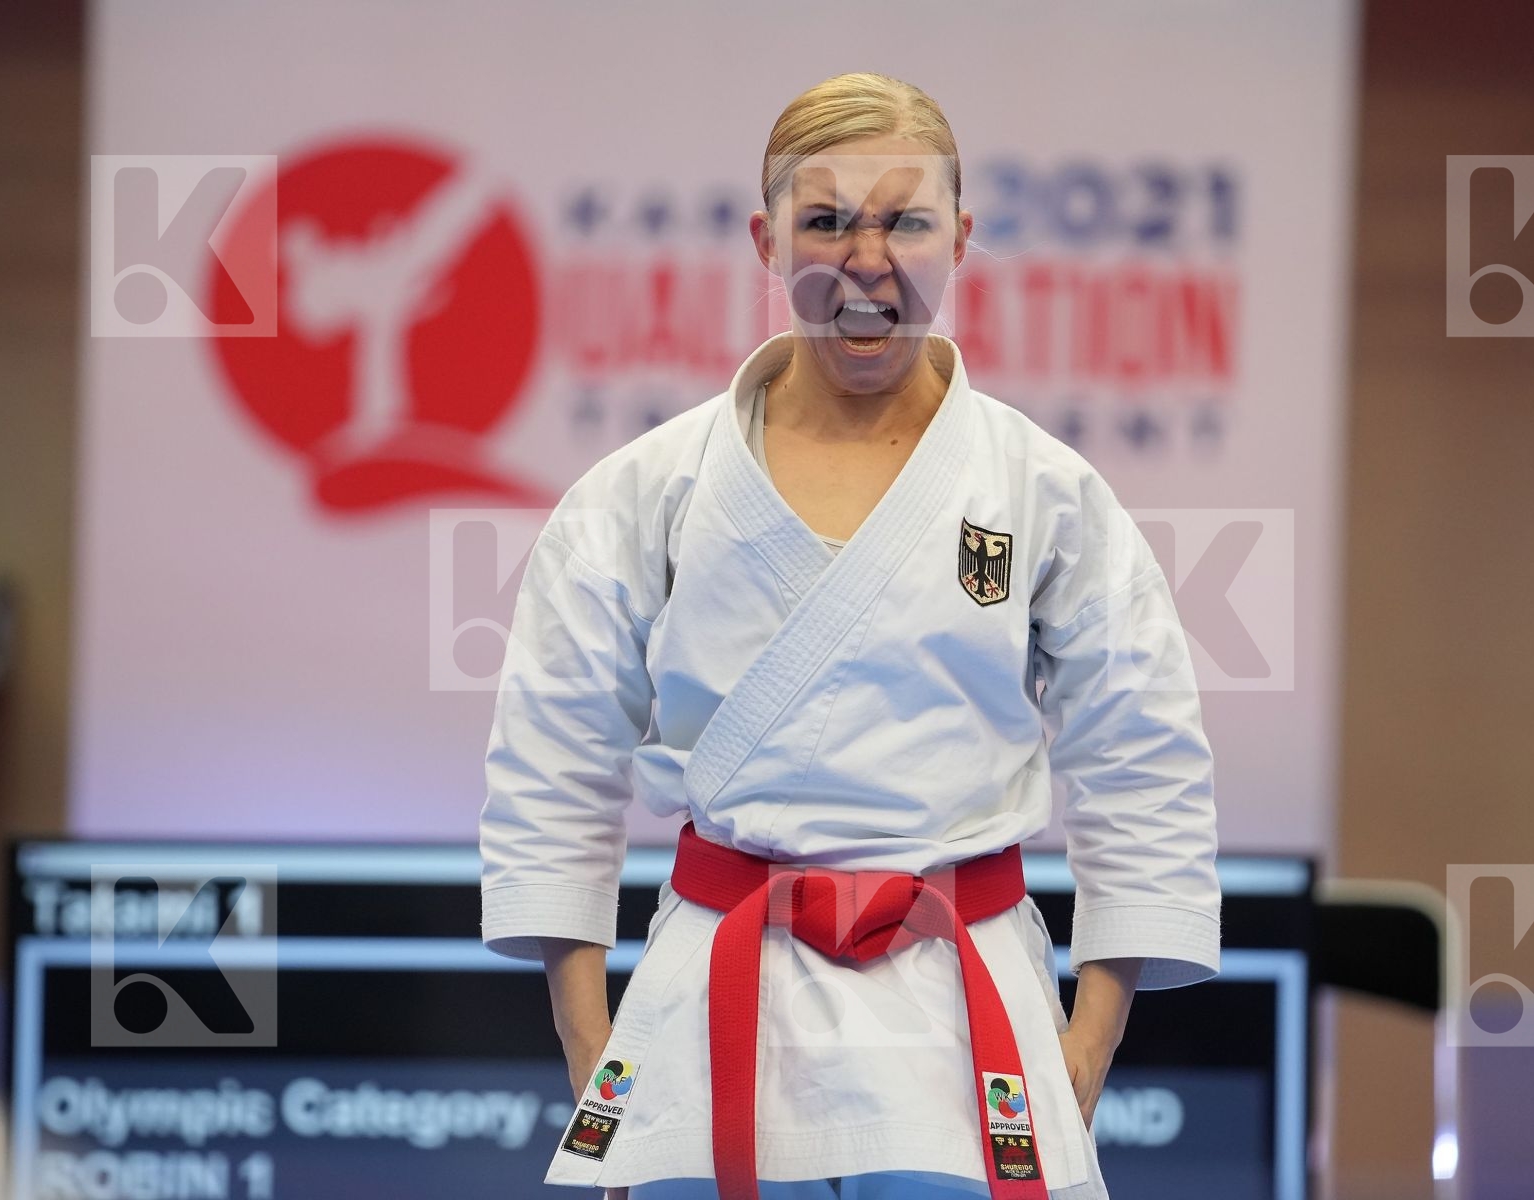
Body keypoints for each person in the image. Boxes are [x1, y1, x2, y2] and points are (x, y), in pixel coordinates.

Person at [479, 72, 1220, 1200]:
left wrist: (1084, 1049)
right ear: (766, 238)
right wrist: (593, 1049)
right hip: (712, 1000)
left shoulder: (1043, 490)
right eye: (824, 219)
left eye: (905, 220)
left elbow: (1142, 757)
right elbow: (553, 763)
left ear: (961, 238)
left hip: (961, 1011)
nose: (865, 257)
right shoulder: (647, 490)